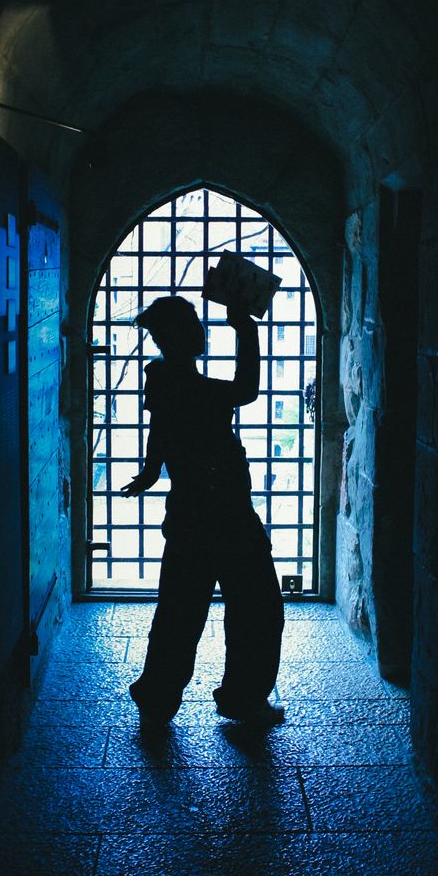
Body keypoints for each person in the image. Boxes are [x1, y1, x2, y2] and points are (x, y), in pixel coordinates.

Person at [121, 294, 285, 730]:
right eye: (191, 321)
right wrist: (245, 329)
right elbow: (245, 391)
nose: (200, 328)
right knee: (257, 609)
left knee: (179, 611)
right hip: (227, 514)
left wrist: (151, 471)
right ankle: (243, 698)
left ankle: (156, 699)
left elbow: (159, 432)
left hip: (190, 514)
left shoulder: (162, 380)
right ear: (176, 335)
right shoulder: (189, 386)